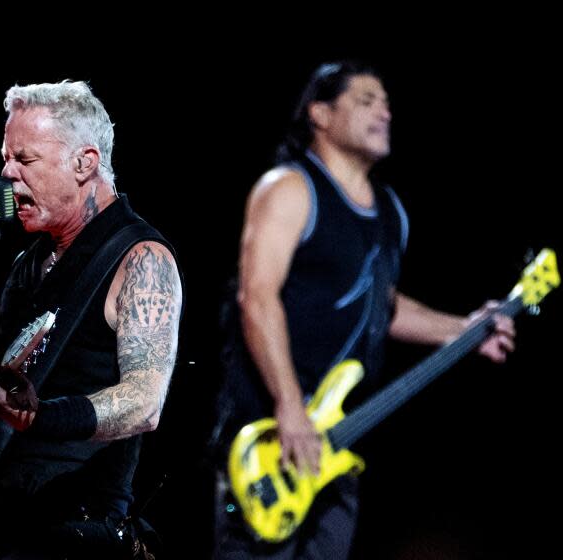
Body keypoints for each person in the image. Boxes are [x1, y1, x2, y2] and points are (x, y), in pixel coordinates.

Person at [212, 60, 515, 559]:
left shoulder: (390, 213)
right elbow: (257, 295)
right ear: (321, 114)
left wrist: (465, 329)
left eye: (387, 103)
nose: (385, 112)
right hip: (269, 444)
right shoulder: (289, 188)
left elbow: (383, 308)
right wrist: (289, 406)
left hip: (336, 449)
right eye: (366, 100)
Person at [0, 80, 183, 559]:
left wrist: (42, 417)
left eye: (24, 160)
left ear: (84, 162)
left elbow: (144, 403)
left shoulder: (141, 257)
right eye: (5, 158)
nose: (6, 175)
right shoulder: (30, 262)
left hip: (70, 530)